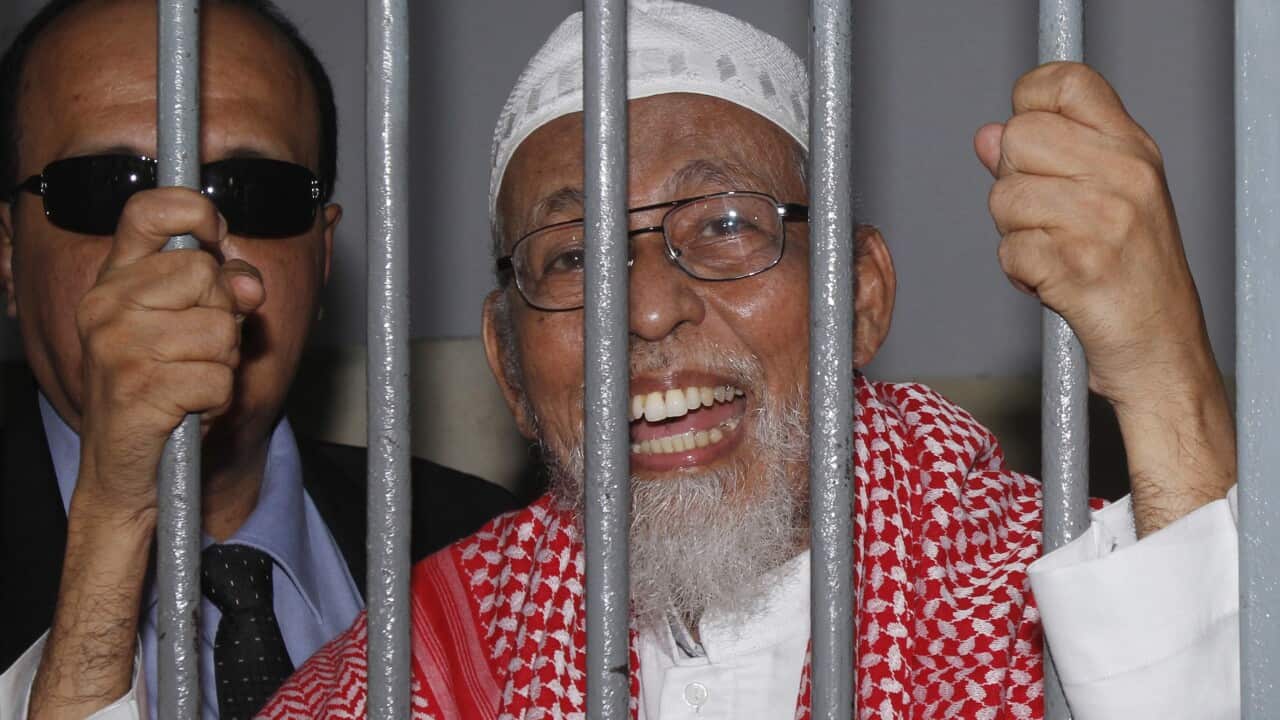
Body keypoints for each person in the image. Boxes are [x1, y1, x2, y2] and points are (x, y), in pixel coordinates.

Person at [264, 3, 1239, 719]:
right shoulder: (411, 665)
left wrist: (1168, 384)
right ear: (509, 366)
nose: (648, 307)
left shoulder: (1083, 598)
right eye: (572, 257)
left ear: (859, 297)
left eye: (726, 225)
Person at [0, 0, 518, 718]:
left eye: (252, 192)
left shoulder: (488, 552)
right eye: (108, 187)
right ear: (8, 254)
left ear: (322, 257)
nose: (185, 248)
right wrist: (115, 522)